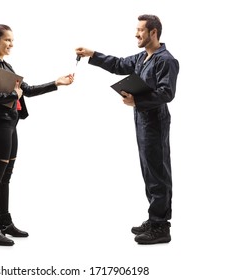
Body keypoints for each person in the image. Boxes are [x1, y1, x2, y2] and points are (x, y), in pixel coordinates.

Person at [76, 14, 179, 245]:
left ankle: (161, 226)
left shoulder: (166, 60)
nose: (136, 34)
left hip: (155, 123)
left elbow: (166, 93)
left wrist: (138, 102)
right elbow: (119, 64)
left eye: (140, 30)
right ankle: (154, 220)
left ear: (153, 32)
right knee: (149, 171)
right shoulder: (143, 57)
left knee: (158, 173)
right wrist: (93, 54)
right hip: (142, 122)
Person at [0, 24, 74, 246]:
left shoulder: (6, 65)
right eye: (7, 40)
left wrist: (57, 83)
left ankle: (4, 223)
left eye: (12, 40)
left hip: (11, 125)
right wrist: (12, 93)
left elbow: (26, 90)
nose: (11, 44)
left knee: (5, 177)